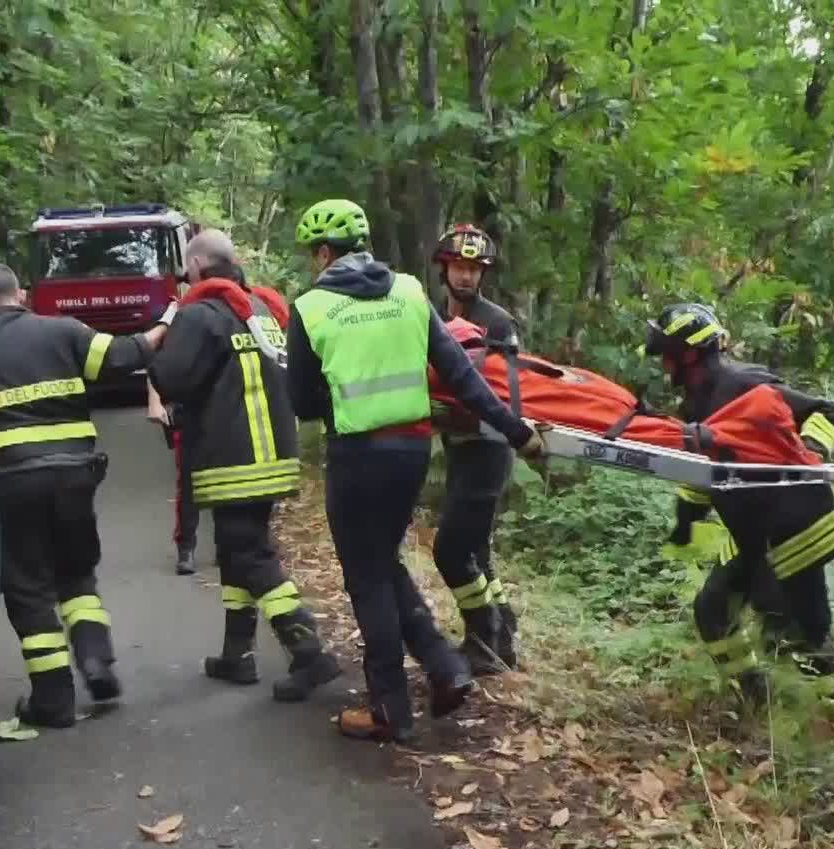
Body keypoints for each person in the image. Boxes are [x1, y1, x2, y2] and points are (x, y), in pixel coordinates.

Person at [285, 198, 543, 743]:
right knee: (384, 564)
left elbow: (303, 403)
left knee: (366, 578)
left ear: (325, 252)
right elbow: (463, 378)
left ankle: (389, 707)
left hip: (357, 457)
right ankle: (446, 666)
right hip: (412, 453)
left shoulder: (309, 308)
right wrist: (515, 429)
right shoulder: (408, 291)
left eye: (315, 253)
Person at [646, 303, 834, 730]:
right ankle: (754, 696)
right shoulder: (695, 403)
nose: (663, 362)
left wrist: (810, 454)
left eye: (668, 352)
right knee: (713, 610)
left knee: (800, 636)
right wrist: (687, 515)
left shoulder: (742, 384)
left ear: (689, 353)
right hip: (753, 534)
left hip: (798, 529)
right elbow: (708, 465)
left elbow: (823, 411)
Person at [148, 229, 342, 702]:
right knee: (236, 550)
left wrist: (159, 338)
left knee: (250, 554)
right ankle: (237, 655)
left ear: (196, 265)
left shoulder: (199, 315)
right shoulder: (259, 308)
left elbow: (169, 376)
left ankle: (308, 651)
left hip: (232, 457)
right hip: (273, 451)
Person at [0, 263, 168, 728]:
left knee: (28, 589)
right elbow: (125, 355)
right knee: (77, 575)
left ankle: (54, 700)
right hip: (75, 477)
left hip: (13, 480)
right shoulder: (63, 329)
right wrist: (166, 323)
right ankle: (96, 660)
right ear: (20, 293)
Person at [429, 224, 522, 673]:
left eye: (474, 269)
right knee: (476, 549)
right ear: (443, 269)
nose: (466, 277)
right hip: (458, 447)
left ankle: (484, 637)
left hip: (488, 448)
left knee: (451, 550)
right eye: (459, 267)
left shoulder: (498, 322)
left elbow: (506, 393)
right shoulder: (432, 318)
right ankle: (502, 628)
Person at [146, 380, 200, 575]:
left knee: (228, 480)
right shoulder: (178, 348)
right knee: (189, 485)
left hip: (224, 409)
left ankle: (227, 544)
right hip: (187, 413)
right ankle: (186, 548)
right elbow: (157, 364)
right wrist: (155, 402)